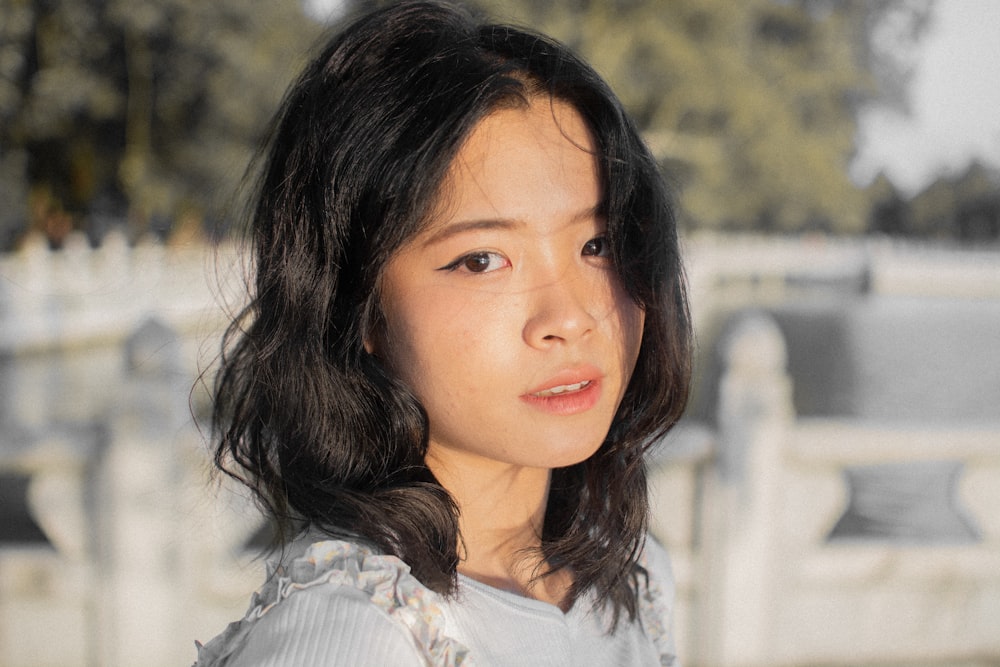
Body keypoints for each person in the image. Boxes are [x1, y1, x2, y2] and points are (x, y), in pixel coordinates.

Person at [194, 1, 691, 664]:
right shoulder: (355, 636)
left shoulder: (631, 576)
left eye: (597, 244)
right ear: (359, 306)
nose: (570, 317)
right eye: (483, 259)